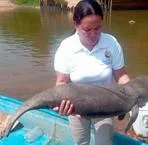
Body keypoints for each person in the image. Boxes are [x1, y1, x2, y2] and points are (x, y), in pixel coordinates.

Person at [53, 0, 130, 145]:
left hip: (105, 105)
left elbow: (121, 76)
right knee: (81, 142)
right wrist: (61, 104)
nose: (94, 34)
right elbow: (61, 82)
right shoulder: (66, 47)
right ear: (76, 25)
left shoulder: (111, 43)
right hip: (76, 107)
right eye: (87, 30)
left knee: (105, 142)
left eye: (98, 28)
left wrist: (132, 93)